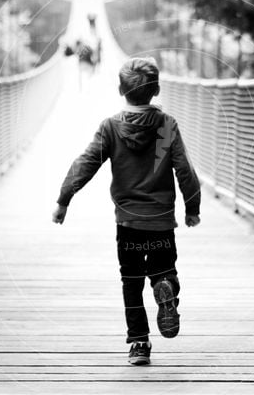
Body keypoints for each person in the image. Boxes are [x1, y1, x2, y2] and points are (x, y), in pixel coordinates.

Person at [52, 56, 201, 365]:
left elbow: (86, 163)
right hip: (160, 223)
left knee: (131, 281)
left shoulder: (110, 128)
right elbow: (184, 169)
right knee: (164, 269)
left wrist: (64, 199)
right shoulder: (166, 126)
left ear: (120, 89)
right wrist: (192, 207)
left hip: (128, 224)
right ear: (157, 89)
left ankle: (139, 344)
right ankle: (166, 288)